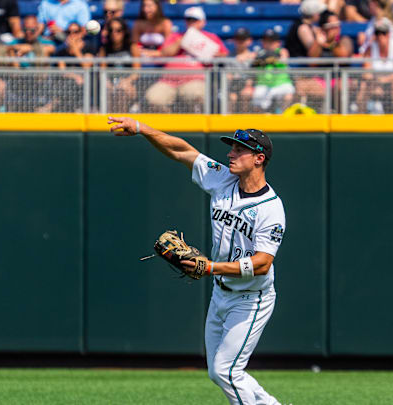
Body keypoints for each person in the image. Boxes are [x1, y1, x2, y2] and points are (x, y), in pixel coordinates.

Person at [107, 116, 285, 405]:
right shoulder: (223, 179)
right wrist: (142, 129)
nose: (231, 153)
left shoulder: (271, 209)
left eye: (239, 149)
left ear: (258, 158)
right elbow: (182, 151)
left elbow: (263, 262)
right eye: (232, 148)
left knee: (226, 371)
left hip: (251, 299)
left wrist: (211, 267)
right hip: (221, 293)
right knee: (219, 373)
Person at [145, 6, 228, 113]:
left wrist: (216, 55)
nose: (191, 23)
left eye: (195, 20)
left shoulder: (211, 37)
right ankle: (170, 125)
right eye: (189, 20)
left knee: (196, 95)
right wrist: (181, 41)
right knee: (153, 98)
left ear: (203, 22)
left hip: (194, 80)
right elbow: (164, 53)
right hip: (169, 81)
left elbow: (224, 55)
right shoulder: (176, 36)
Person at [355, 17, 393, 113]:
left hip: (391, 83)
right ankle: (360, 120)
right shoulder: (370, 48)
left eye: (383, 33)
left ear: (389, 34)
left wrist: (383, 80)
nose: (380, 36)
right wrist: (377, 82)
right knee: (363, 87)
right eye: (377, 33)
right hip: (374, 83)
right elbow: (366, 73)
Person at [98, 17, 139, 112]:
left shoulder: (132, 47)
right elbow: (102, 72)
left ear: (124, 32)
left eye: (118, 30)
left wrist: (126, 81)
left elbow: (136, 72)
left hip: (128, 84)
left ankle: (122, 119)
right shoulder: (104, 49)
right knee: (108, 90)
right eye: (111, 30)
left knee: (122, 90)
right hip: (111, 83)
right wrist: (108, 83)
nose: (114, 33)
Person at [250, 29, 294, 113]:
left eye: (271, 41)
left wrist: (271, 58)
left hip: (281, 85)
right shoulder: (259, 53)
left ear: (278, 43)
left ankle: (282, 121)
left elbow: (284, 57)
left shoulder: (281, 51)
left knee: (288, 96)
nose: (268, 44)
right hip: (263, 85)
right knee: (257, 99)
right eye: (266, 41)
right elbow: (248, 57)